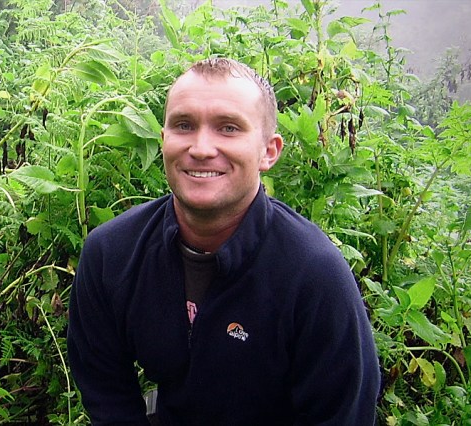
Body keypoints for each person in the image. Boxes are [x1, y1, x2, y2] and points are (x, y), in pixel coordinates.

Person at [67, 58, 380, 424]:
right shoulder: (111, 253)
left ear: (269, 151)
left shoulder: (313, 274)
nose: (201, 148)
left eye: (228, 128)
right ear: (163, 138)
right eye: (183, 125)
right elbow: (106, 394)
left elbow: (342, 415)